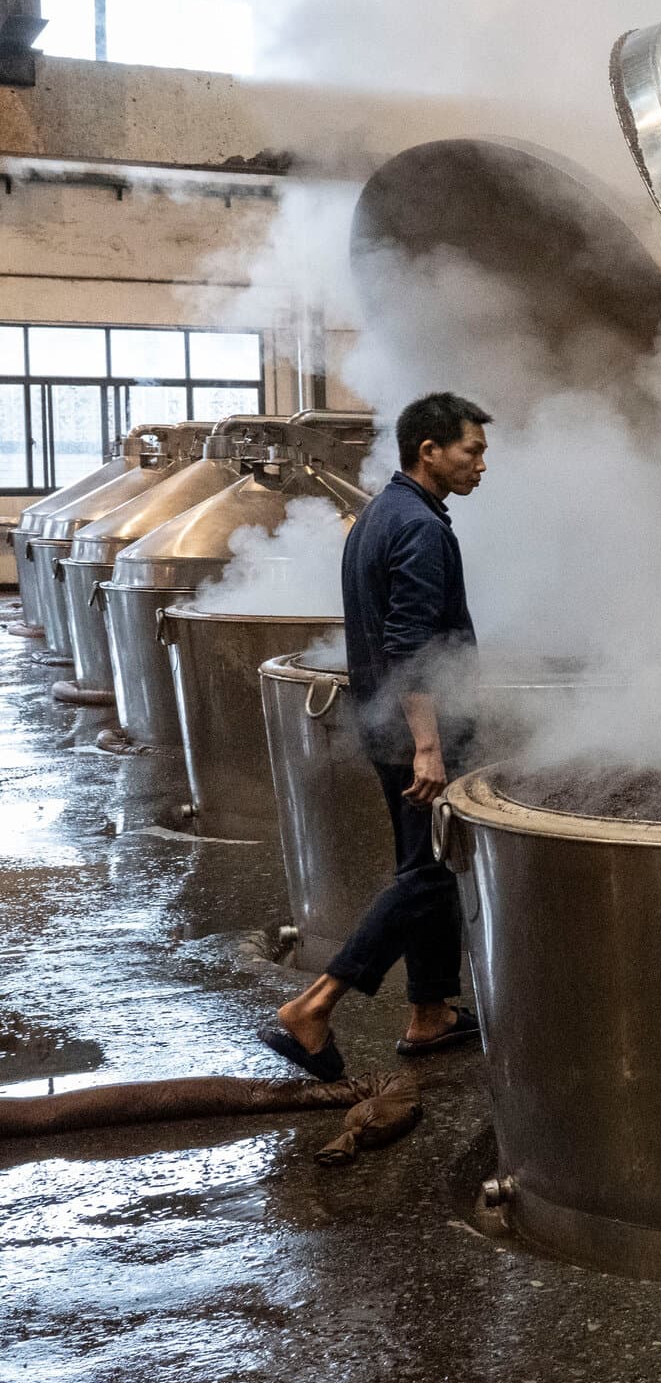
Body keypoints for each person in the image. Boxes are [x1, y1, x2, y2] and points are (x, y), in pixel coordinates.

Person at [259, 391, 492, 1080]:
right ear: (430, 451)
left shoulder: (377, 515)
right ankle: (313, 1008)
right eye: (472, 451)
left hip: (383, 723)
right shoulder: (419, 528)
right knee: (429, 874)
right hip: (415, 731)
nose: (482, 465)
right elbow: (409, 645)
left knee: (429, 868)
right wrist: (430, 745)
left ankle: (430, 1013)